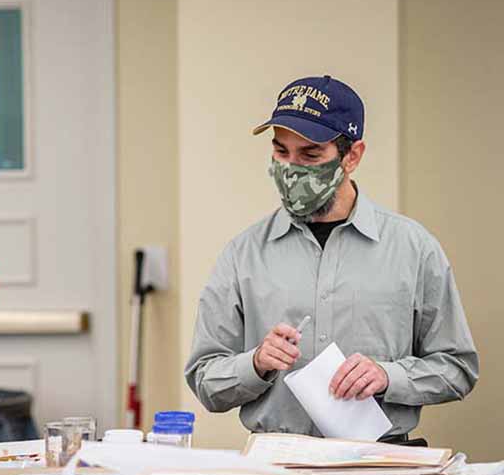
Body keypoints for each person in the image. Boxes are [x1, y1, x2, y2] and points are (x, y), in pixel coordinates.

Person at [184, 75, 478, 441]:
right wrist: (255, 363)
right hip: (279, 466)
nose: (292, 168)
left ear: (352, 156)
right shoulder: (243, 253)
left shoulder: (414, 248)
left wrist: (390, 376)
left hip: (381, 466)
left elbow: (458, 368)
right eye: (281, 152)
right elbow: (204, 378)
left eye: (310, 154)